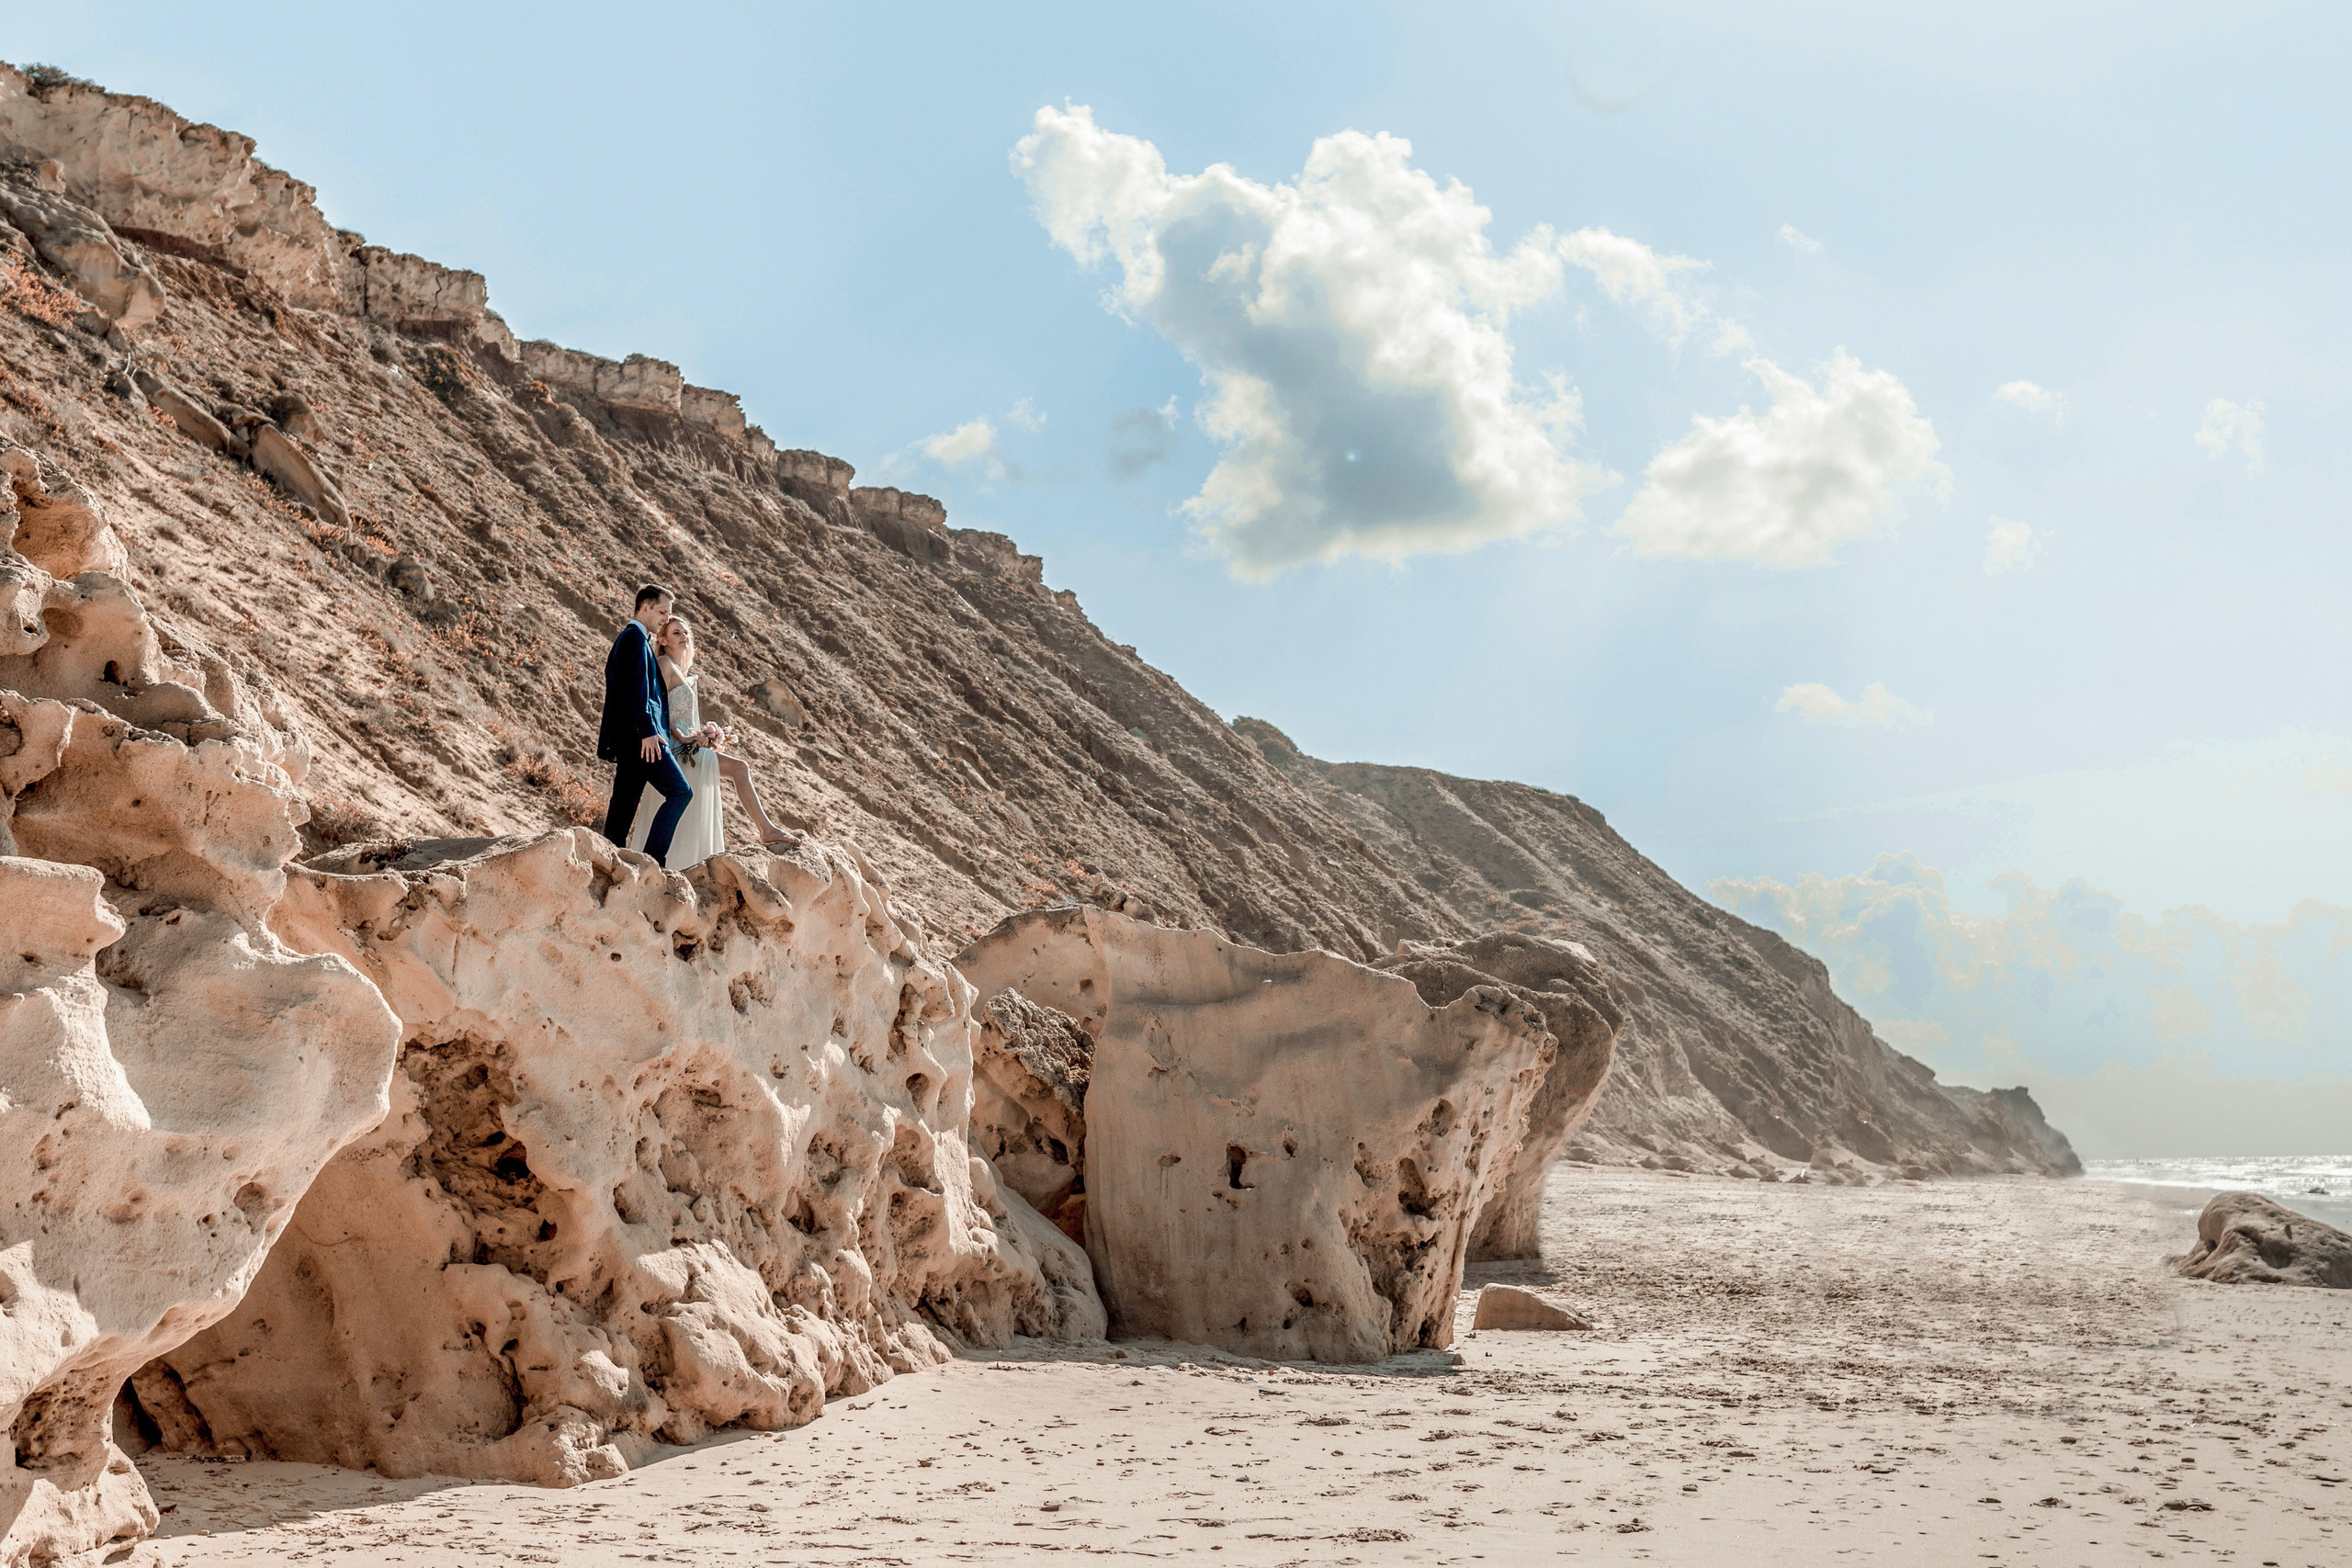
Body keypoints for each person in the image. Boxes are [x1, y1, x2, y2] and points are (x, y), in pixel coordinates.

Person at [627, 614, 795, 866]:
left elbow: (683, 714)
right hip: (674, 749)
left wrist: (705, 737)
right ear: (662, 639)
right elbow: (654, 705)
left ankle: (761, 831)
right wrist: (681, 735)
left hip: (688, 747)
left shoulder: (685, 673)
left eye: (686, 632)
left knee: (732, 774)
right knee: (740, 768)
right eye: (676, 633)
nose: (684, 637)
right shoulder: (663, 663)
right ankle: (766, 830)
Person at [597, 583, 693, 865]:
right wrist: (648, 732)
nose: (665, 617)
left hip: (634, 740)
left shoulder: (635, 639)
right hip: (643, 740)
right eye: (662, 611)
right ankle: (652, 861)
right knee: (680, 792)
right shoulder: (633, 639)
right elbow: (635, 690)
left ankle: (607, 861)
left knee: (623, 807)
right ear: (645, 607)